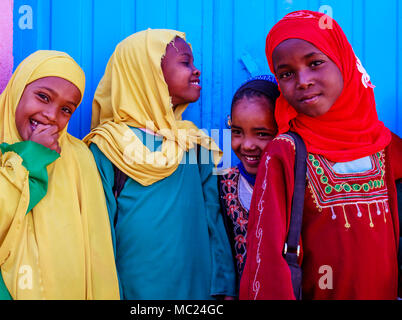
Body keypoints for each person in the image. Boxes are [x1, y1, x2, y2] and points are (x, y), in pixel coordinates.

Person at [239, 10, 402, 300]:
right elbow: (267, 262)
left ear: (343, 61)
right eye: (286, 73)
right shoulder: (285, 152)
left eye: (315, 63)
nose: (302, 81)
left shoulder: (384, 144)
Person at [0, 50, 120, 300]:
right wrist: (29, 158)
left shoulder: (79, 157)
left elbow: (97, 246)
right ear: (18, 90)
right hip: (2, 290)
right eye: (43, 97)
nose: (51, 115)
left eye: (66, 109)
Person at [83, 29, 236, 300]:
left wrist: (223, 285)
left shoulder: (195, 142)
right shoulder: (108, 145)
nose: (197, 70)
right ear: (147, 73)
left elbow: (213, 215)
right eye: (186, 62)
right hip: (132, 291)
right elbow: (96, 232)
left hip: (197, 291)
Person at [218, 75, 279, 294]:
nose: (247, 145)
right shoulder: (223, 183)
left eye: (262, 134)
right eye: (237, 132)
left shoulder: (301, 185)